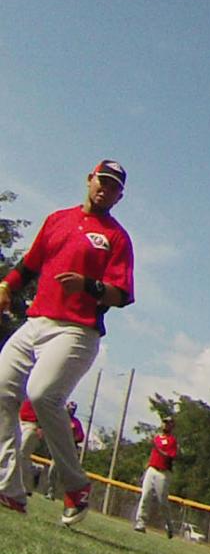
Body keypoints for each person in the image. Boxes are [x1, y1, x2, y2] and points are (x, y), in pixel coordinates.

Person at [0, 161, 136, 524]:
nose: (105, 189)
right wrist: (7, 286)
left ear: (120, 196)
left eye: (113, 186)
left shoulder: (116, 237)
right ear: (89, 180)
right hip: (36, 320)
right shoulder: (58, 219)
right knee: (1, 390)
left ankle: (75, 485)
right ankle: (11, 489)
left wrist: (88, 285)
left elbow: (121, 294)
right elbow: (30, 265)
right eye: (101, 181)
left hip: (77, 329)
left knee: (43, 394)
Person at [134, 412, 177, 536]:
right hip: (152, 469)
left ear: (172, 426)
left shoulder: (172, 441)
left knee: (162, 501)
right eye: (164, 422)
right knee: (145, 495)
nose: (165, 425)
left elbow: (170, 456)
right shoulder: (157, 438)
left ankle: (169, 525)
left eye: (168, 423)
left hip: (163, 472)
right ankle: (140, 523)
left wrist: (159, 449)